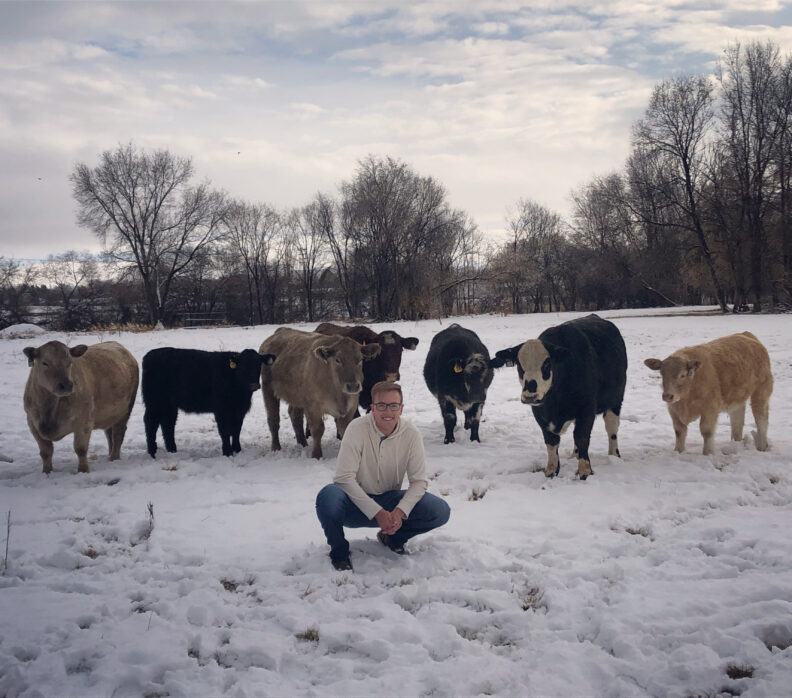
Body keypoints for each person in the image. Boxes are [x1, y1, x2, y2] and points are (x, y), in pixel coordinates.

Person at [315, 381, 451, 571]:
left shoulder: (411, 434)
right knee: (327, 497)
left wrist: (399, 511)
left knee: (440, 510)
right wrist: (378, 513)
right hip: (353, 503)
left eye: (393, 406)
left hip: (389, 502)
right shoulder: (356, 428)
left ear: (401, 409)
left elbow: (419, 482)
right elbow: (343, 478)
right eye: (381, 405)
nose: (388, 412)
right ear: (372, 408)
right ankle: (339, 553)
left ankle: (393, 538)